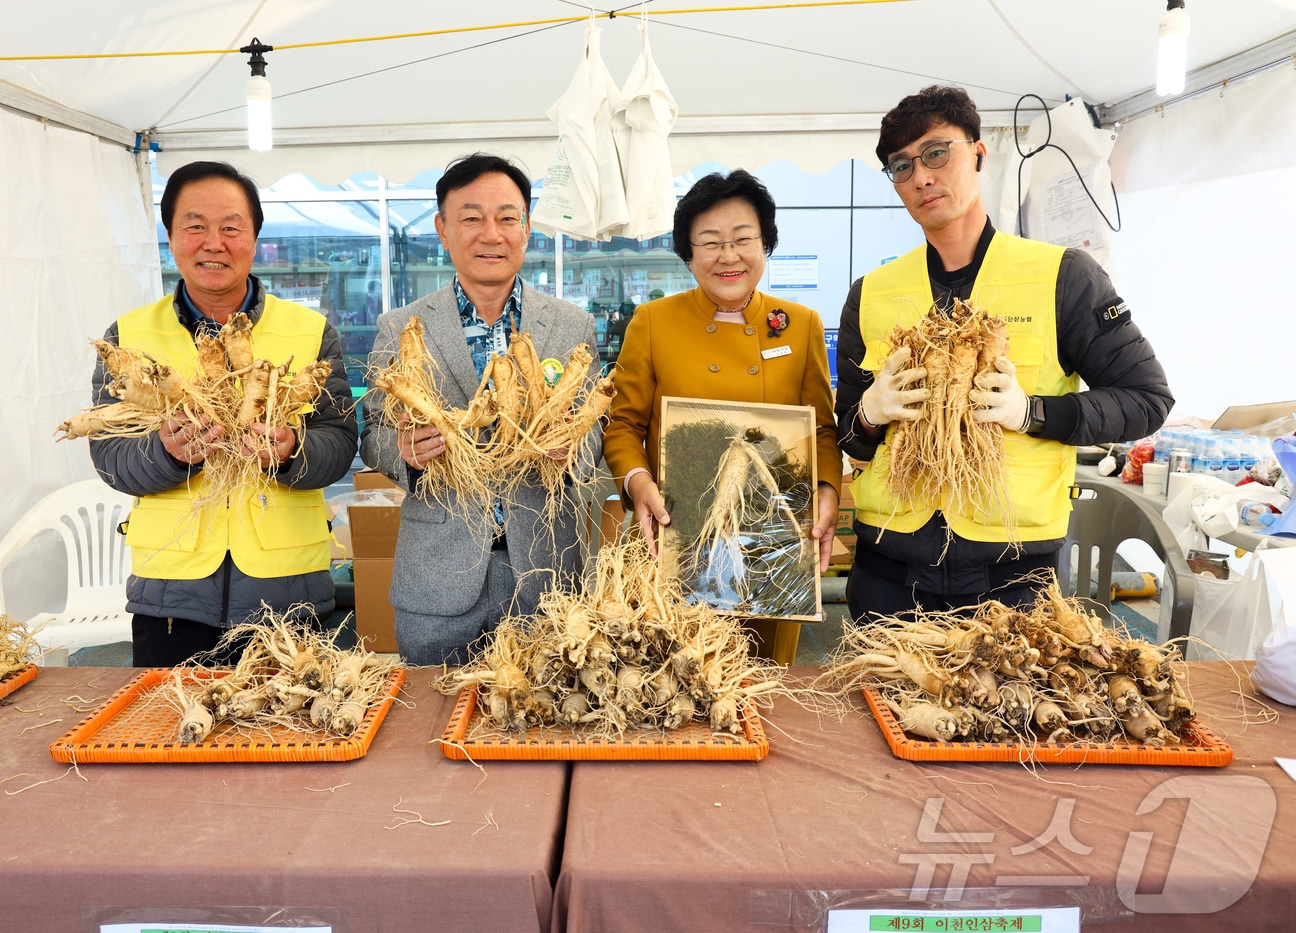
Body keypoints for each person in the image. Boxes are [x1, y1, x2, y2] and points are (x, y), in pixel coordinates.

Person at [834, 85, 1173, 625]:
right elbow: (850, 436)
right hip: (889, 572)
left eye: (937, 153)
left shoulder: (1064, 276)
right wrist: (870, 414)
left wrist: (1032, 413)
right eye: (901, 166)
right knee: (882, 708)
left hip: (1009, 578)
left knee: (1006, 708)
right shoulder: (871, 292)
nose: (921, 176)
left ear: (978, 153)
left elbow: (1147, 400)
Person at [89, 161, 358, 666]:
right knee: (170, 735)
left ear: (254, 236)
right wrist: (165, 453)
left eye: (231, 227)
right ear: (171, 236)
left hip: (286, 589)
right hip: (171, 593)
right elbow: (108, 454)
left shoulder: (310, 332)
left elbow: (341, 442)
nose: (214, 243)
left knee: (291, 737)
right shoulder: (127, 337)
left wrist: (293, 450)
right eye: (195, 226)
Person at [360, 153, 601, 666]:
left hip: (545, 574)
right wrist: (404, 450)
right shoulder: (399, 326)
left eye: (507, 218)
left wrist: (573, 448)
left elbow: (594, 431)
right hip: (437, 581)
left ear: (527, 228)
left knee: (546, 726)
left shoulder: (570, 326)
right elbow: (376, 431)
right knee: (433, 723)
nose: (491, 234)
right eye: (471, 218)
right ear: (443, 230)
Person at [603, 169, 842, 664]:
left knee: (762, 696)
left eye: (742, 240)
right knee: (670, 686)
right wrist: (637, 481)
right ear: (688, 254)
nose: (728, 256)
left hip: (772, 544)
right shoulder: (653, 323)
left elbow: (820, 427)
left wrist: (826, 492)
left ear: (765, 244)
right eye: (710, 242)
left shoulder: (799, 325)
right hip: (675, 542)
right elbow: (622, 425)